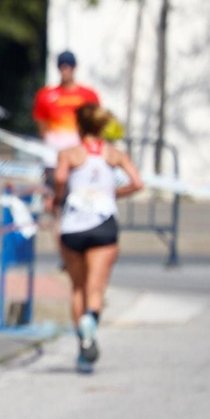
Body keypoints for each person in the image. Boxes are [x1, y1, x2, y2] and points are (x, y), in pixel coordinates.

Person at [53, 104, 143, 373]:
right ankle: (91, 320)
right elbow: (138, 182)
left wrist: (59, 197)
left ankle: (83, 347)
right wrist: (115, 193)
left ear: (79, 127)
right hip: (104, 224)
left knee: (77, 288)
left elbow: (59, 178)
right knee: (96, 288)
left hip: (73, 225)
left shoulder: (70, 154)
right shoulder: (114, 154)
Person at [32, 50, 101, 154]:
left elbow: (95, 122)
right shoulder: (45, 95)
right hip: (55, 147)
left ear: (74, 68)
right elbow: (41, 122)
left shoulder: (89, 95)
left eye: (68, 67)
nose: (65, 71)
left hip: (80, 148)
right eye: (62, 67)